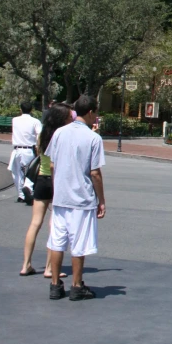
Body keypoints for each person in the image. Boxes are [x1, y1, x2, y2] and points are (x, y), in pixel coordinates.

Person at [46, 95, 106, 301]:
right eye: (96, 113)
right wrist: (102, 200)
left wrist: (57, 188)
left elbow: (52, 164)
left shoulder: (59, 133)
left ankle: (55, 284)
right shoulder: (93, 138)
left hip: (61, 197)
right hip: (81, 198)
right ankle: (76, 285)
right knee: (79, 244)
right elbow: (95, 173)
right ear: (90, 112)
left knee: (57, 241)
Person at [20, 103, 73, 278]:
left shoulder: (42, 134)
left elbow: (39, 153)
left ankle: (26, 264)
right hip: (55, 179)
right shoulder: (62, 135)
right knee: (54, 225)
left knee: (35, 223)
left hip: (41, 180)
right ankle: (49, 268)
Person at [8, 100, 42, 205]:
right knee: (30, 171)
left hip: (17, 149)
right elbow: (39, 135)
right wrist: (39, 148)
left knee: (16, 172)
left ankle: (21, 195)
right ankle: (28, 188)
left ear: (20, 109)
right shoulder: (35, 121)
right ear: (31, 110)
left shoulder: (15, 120)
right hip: (29, 149)